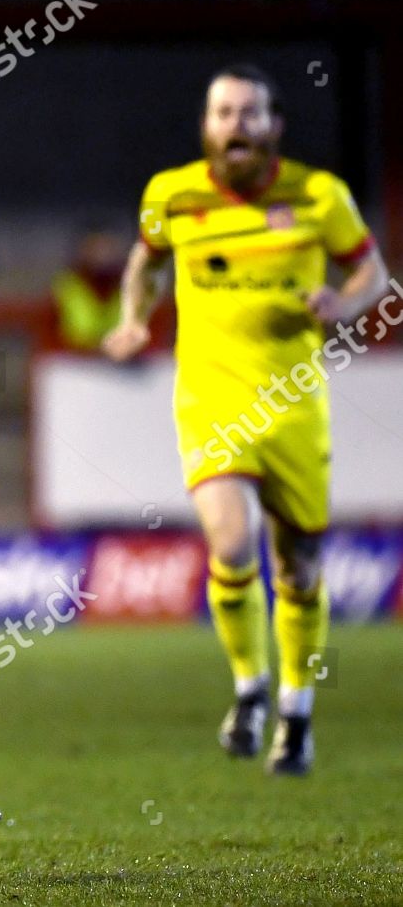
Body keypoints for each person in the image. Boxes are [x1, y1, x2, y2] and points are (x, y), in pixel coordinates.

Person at [104, 65, 389, 775]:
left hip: (295, 402)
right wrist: (134, 319)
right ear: (207, 125)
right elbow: (145, 262)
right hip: (211, 398)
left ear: (273, 127)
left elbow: (373, 274)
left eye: (249, 113)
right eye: (223, 112)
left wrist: (344, 304)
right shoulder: (170, 194)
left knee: (298, 564)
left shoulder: (321, 196)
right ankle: (250, 688)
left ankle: (296, 712)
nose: (235, 124)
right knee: (231, 545)